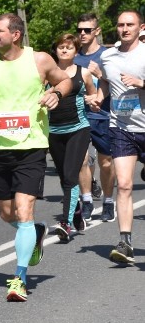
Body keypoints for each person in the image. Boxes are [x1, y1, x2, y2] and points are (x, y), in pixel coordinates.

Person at [0, 13, 73, 301]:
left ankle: (19, 278)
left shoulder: (39, 60)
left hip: (31, 147)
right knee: (6, 213)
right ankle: (36, 231)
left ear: (15, 34)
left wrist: (56, 95)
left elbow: (65, 81)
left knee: (24, 212)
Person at [91, 11, 145, 265]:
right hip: (121, 127)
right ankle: (125, 242)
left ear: (140, 27)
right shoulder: (108, 55)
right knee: (123, 184)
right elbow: (105, 82)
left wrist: (141, 83)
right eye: (120, 24)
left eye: (130, 25)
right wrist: (99, 97)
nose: (124, 29)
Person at [48, 33, 96, 241]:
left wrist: (93, 100)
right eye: (61, 47)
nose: (65, 50)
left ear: (76, 51)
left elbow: (94, 94)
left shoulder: (83, 73)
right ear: (56, 50)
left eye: (69, 47)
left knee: (70, 175)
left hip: (78, 129)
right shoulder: (48, 73)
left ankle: (66, 224)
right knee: (63, 177)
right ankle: (76, 212)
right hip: (54, 131)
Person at [74, 13, 115, 223]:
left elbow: (120, 84)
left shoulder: (108, 55)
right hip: (81, 115)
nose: (82, 33)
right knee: (81, 160)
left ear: (96, 31)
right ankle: (87, 200)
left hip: (105, 114)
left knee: (106, 162)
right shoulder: (74, 57)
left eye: (87, 30)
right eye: (79, 30)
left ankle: (108, 201)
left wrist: (100, 74)